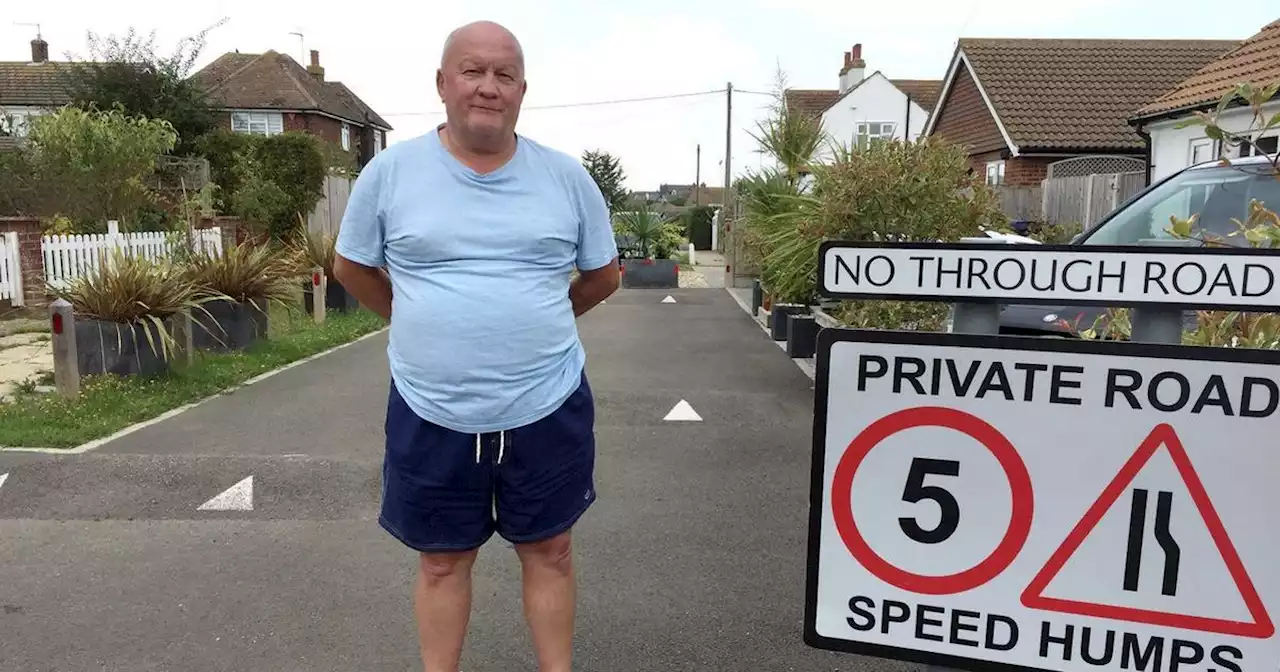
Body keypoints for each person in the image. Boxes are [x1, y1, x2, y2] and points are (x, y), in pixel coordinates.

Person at [332, 19, 620, 672]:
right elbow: (352, 267)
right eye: (472, 70)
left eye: (504, 74)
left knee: (551, 552)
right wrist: (412, 320)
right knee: (441, 561)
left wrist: (546, 316)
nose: (488, 87)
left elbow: (603, 276)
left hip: (547, 404)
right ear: (442, 83)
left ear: (522, 90)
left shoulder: (566, 179)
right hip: (430, 407)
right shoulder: (390, 173)